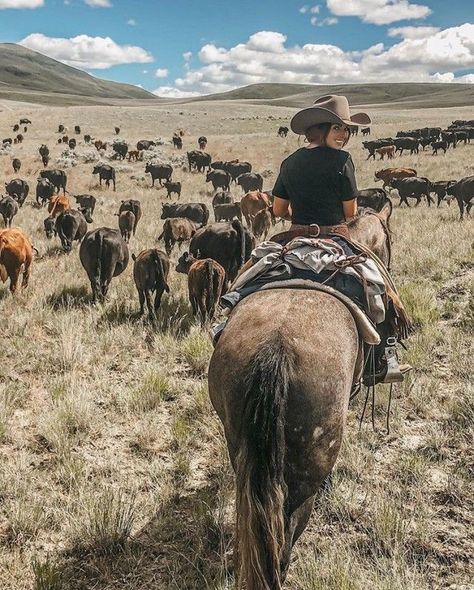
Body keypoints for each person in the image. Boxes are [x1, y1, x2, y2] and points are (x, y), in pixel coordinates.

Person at [271, 95, 411, 385]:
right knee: (378, 287)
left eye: (347, 130)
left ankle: (223, 322)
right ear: (320, 129)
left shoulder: (289, 162)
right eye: (338, 129)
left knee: (250, 275)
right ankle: (381, 362)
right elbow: (350, 211)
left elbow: (278, 210)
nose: (345, 136)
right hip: (336, 238)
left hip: (294, 237)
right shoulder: (342, 161)